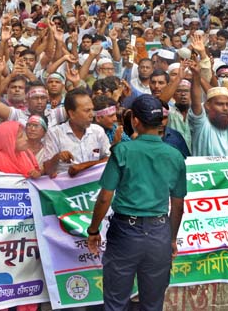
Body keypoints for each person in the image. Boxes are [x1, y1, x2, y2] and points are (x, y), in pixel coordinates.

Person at [87, 95, 186, 311]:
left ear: (136, 121)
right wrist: (171, 238)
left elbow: (105, 197)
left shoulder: (123, 150)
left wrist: (93, 230)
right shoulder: (175, 155)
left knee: (116, 301)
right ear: (161, 121)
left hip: (125, 233)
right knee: (153, 303)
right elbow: (178, 205)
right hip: (159, 231)